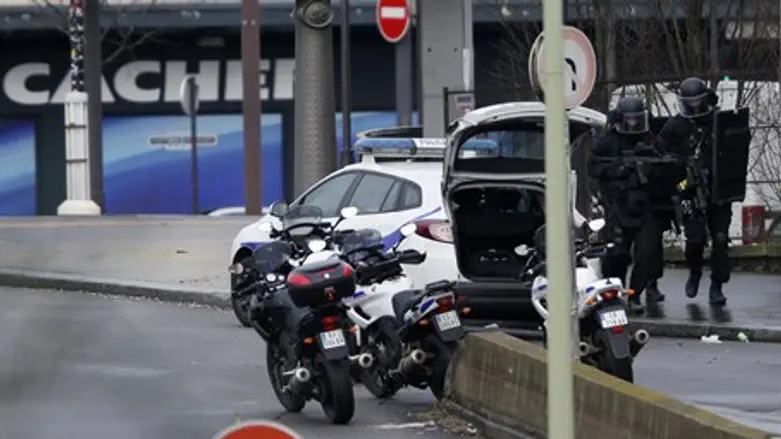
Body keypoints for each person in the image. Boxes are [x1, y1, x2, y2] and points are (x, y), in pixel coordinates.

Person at [588, 96, 669, 315]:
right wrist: (619, 171)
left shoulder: (650, 139)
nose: (633, 125)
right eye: (629, 120)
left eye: (637, 120)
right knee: (617, 255)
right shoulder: (608, 141)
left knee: (646, 253)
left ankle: (635, 294)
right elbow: (593, 167)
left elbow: (667, 166)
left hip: (645, 207)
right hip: (618, 206)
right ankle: (616, 293)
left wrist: (650, 171)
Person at [656, 77, 729, 306]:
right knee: (695, 240)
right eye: (691, 102)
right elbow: (659, 151)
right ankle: (695, 273)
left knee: (720, 238)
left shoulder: (716, 120)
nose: (695, 107)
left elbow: (735, 144)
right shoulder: (676, 125)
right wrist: (678, 166)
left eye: (699, 101)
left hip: (717, 188)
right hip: (689, 189)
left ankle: (717, 285)